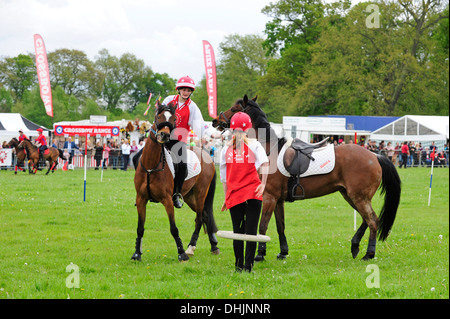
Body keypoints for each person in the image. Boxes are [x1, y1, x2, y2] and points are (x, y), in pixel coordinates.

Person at [219, 112, 269, 272]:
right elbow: (265, 164)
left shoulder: (225, 149)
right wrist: (263, 184)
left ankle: (239, 267)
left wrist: (226, 197)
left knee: (237, 232)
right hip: (253, 193)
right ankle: (247, 267)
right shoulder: (255, 145)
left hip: (237, 194)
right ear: (248, 129)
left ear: (232, 130)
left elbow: (224, 178)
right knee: (251, 233)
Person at [161, 75, 217, 208]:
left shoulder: (192, 107)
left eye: (188, 90)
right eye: (184, 89)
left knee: (182, 164)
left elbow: (200, 124)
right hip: (163, 137)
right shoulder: (169, 100)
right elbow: (160, 114)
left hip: (178, 141)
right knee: (140, 157)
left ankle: (177, 194)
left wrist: (211, 133)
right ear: (178, 89)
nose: (186, 92)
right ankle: (143, 190)